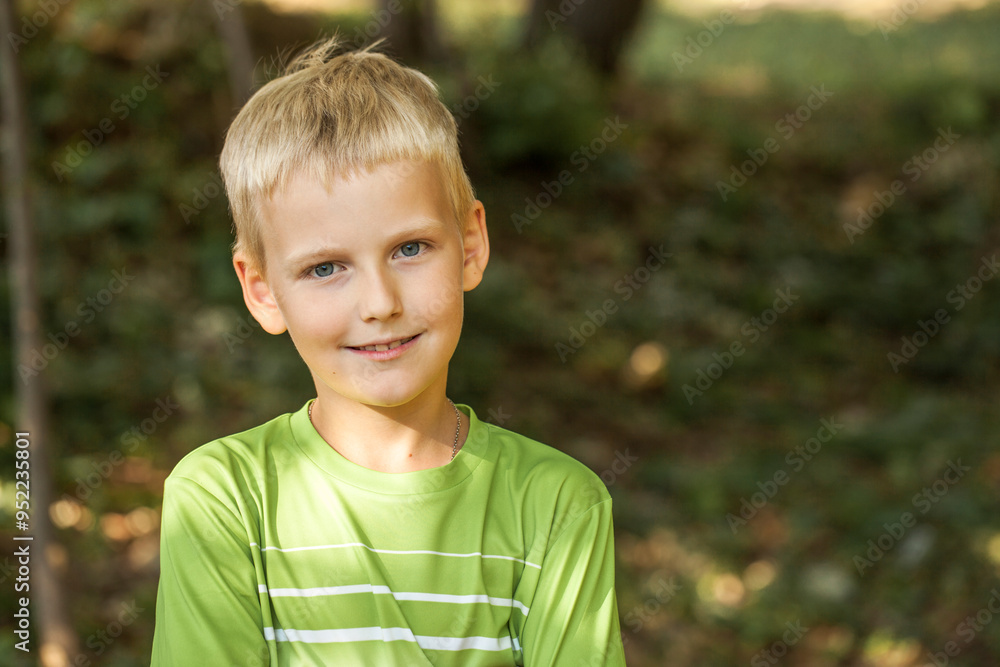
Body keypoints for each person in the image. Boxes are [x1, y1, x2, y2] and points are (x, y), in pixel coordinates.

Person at [151, 35, 627, 667]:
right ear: (262, 292)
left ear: (471, 245)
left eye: (409, 249)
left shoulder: (558, 505)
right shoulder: (226, 500)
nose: (379, 303)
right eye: (325, 268)